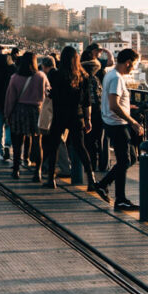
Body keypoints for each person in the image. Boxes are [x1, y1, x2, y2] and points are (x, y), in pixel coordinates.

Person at [93, 48, 143, 210]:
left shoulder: (110, 75)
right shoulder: (116, 79)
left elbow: (114, 102)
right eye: (133, 64)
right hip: (117, 124)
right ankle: (118, 198)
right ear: (128, 62)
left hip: (113, 122)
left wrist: (129, 107)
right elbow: (114, 105)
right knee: (125, 161)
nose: (133, 68)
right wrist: (132, 121)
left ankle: (105, 186)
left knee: (131, 158)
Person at [44, 46, 95, 191]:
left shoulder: (55, 74)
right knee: (80, 147)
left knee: (53, 146)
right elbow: (87, 101)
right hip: (76, 115)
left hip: (59, 115)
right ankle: (91, 179)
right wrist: (88, 120)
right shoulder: (83, 76)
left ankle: (50, 179)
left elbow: (52, 94)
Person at [3, 52, 49, 182]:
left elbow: (10, 98)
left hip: (19, 111)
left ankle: (16, 170)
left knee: (17, 143)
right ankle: (37, 172)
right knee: (37, 142)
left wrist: (7, 114)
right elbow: (49, 92)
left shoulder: (15, 78)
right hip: (36, 111)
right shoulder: (41, 76)